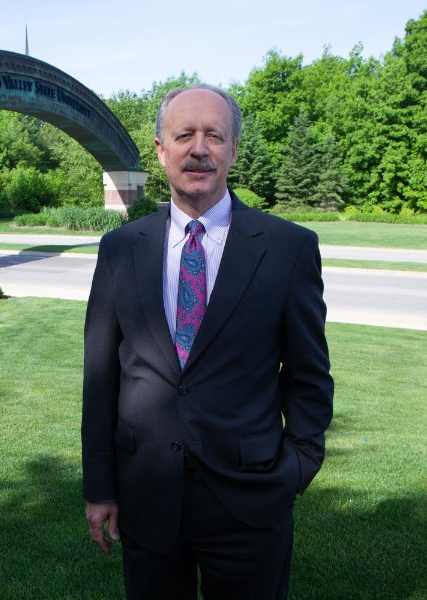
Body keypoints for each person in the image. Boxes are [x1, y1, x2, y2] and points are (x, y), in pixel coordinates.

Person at [81, 84, 333, 599]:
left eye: (214, 136)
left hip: (251, 503)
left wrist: (295, 468)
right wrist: (101, 487)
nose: (199, 149)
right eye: (184, 135)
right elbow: (100, 378)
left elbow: (309, 376)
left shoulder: (289, 249)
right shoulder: (120, 249)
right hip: (146, 495)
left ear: (233, 150)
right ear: (160, 149)